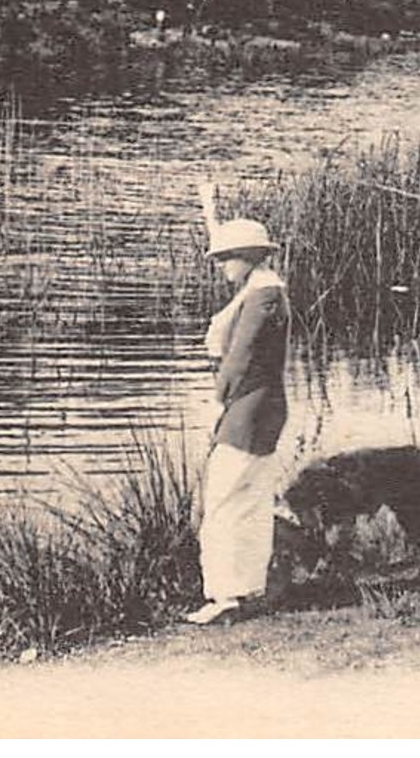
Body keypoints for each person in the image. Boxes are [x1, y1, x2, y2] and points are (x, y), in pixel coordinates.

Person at [187, 214, 292, 625]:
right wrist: (213, 212)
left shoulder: (262, 298)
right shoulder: (262, 286)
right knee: (249, 500)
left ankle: (225, 596)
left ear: (248, 256)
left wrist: (216, 404)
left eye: (226, 258)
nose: (220, 265)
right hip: (262, 409)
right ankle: (248, 587)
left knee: (224, 503)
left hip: (246, 411)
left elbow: (241, 358)